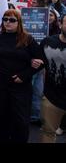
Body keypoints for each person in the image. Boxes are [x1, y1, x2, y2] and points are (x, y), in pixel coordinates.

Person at [0, 9, 45, 143]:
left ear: (19, 22)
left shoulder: (27, 39)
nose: (7, 23)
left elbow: (41, 62)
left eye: (12, 20)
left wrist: (24, 75)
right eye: (5, 19)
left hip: (20, 88)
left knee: (20, 123)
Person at [39, 14, 66, 143]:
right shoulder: (48, 42)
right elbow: (39, 64)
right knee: (48, 133)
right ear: (61, 24)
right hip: (52, 98)